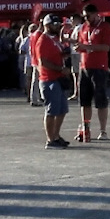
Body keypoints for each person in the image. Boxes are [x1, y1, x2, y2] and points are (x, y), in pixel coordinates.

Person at [69, 5, 110, 140]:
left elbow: (106, 47)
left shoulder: (105, 27)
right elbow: (83, 45)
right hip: (85, 67)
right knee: (84, 101)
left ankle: (103, 130)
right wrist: (80, 48)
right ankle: (85, 129)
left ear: (95, 14)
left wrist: (87, 47)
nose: (86, 19)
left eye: (88, 16)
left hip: (100, 67)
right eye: (84, 16)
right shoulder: (83, 28)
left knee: (100, 100)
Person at [30, 15, 72, 148]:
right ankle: (50, 139)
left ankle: (56, 135)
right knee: (51, 111)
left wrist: (63, 55)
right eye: (55, 24)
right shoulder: (43, 40)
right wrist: (60, 68)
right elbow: (43, 62)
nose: (58, 26)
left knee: (62, 110)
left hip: (58, 77)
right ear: (47, 26)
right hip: (49, 79)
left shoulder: (54, 39)